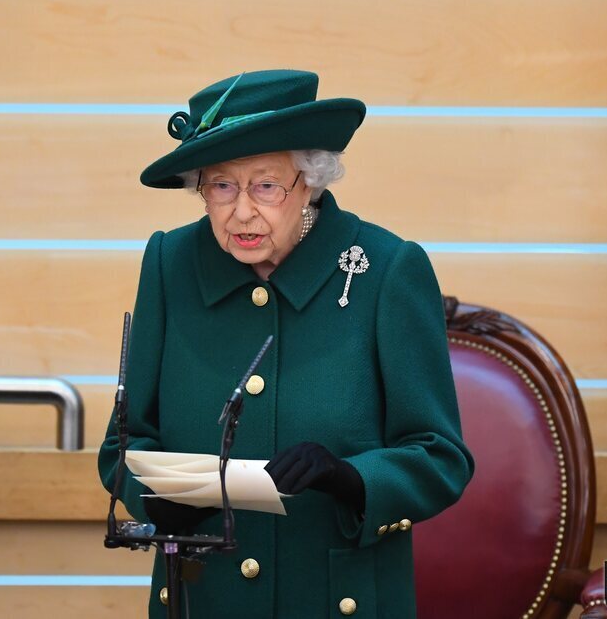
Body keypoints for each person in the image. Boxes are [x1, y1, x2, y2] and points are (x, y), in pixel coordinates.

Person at [98, 69, 473, 619]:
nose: (242, 211)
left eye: (266, 185)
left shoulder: (386, 270)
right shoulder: (169, 264)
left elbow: (441, 458)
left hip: (333, 599)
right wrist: (154, 498)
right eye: (221, 185)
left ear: (311, 181)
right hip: (203, 599)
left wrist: (348, 477)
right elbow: (125, 444)